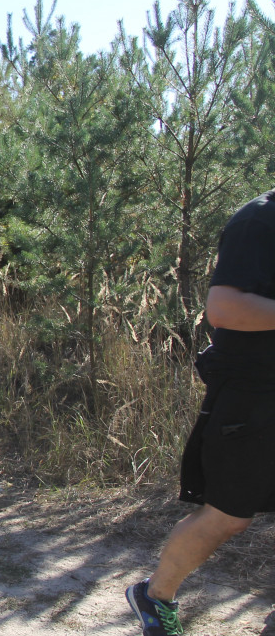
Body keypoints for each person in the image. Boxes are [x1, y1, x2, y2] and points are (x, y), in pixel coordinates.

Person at [125, 190, 275, 636]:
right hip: (253, 397)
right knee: (229, 514)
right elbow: (223, 308)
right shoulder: (259, 220)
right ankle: (154, 596)